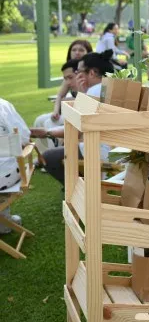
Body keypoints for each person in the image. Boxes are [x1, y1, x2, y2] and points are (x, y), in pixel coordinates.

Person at [40, 52, 115, 185]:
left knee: (48, 157)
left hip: (103, 155)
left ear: (92, 73)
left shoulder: (94, 91)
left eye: (79, 72)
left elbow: (76, 128)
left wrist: (46, 132)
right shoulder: (113, 85)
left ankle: (80, 192)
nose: (77, 76)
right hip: (118, 152)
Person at [32, 59, 80, 156]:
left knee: (49, 123)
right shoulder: (70, 71)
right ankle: (43, 156)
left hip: (79, 118)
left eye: (70, 78)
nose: (68, 82)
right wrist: (56, 111)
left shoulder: (89, 85)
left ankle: (54, 156)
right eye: (74, 50)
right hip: (73, 114)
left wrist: (69, 102)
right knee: (40, 120)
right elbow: (59, 96)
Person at [0, 98, 32, 234]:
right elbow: (24, 137)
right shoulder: (3, 106)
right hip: (6, 177)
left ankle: (3, 220)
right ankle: (4, 222)